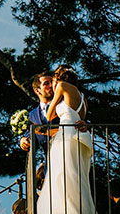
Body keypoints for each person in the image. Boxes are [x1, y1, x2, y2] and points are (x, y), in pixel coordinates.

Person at [35, 65, 95, 214]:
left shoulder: (61, 86)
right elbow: (77, 120)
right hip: (78, 137)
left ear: (57, 78)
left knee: (63, 175)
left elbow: (49, 115)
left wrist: (56, 91)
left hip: (66, 138)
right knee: (76, 176)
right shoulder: (82, 97)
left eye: (53, 80)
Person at [21, 72, 56, 155]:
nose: (51, 85)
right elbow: (30, 138)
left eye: (52, 82)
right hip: (50, 163)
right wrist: (24, 140)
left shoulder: (64, 104)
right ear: (37, 90)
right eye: (46, 84)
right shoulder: (32, 116)